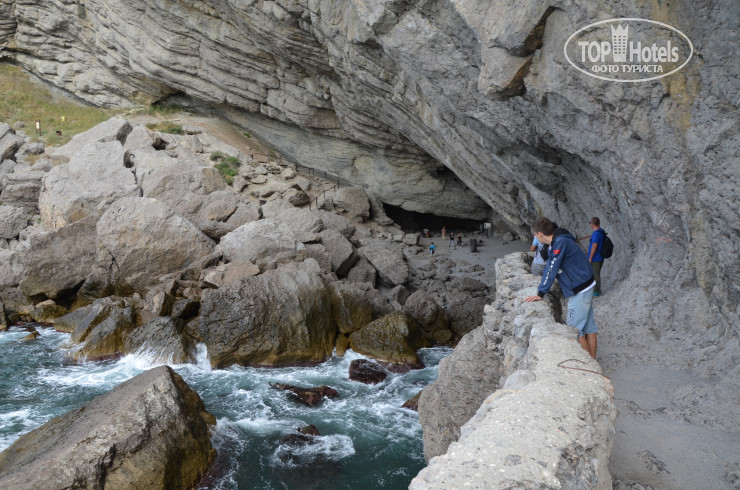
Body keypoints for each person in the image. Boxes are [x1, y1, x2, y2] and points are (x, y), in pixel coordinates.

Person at [524, 217, 598, 359]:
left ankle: (590, 364)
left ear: (540, 234)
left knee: (574, 330)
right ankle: (593, 360)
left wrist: (541, 292)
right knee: (589, 328)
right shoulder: (559, 240)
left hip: (579, 288)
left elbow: (551, 268)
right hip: (585, 284)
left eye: (534, 234)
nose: (535, 237)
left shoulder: (560, 243)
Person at [587, 217, 605, 297]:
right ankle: (595, 290)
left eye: (590, 223)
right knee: (596, 274)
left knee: (596, 275)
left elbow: (594, 246)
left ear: (592, 224)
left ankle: (597, 292)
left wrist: (590, 258)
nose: (590, 224)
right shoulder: (601, 231)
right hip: (600, 256)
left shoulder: (596, 234)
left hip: (595, 258)